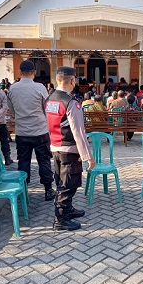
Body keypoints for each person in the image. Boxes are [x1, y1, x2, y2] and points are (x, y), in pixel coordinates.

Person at [45, 66, 95, 231]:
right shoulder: (71, 102)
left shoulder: (50, 98)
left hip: (55, 146)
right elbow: (78, 131)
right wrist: (88, 156)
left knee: (61, 180)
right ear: (73, 81)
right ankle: (60, 219)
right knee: (68, 184)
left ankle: (68, 209)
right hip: (69, 148)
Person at [7, 60, 55, 201]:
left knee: (23, 161)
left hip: (22, 131)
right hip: (40, 130)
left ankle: (23, 191)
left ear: (20, 72)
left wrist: (21, 116)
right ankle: (48, 190)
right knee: (44, 161)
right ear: (34, 72)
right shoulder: (40, 87)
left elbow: (12, 109)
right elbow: (46, 108)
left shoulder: (13, 89)